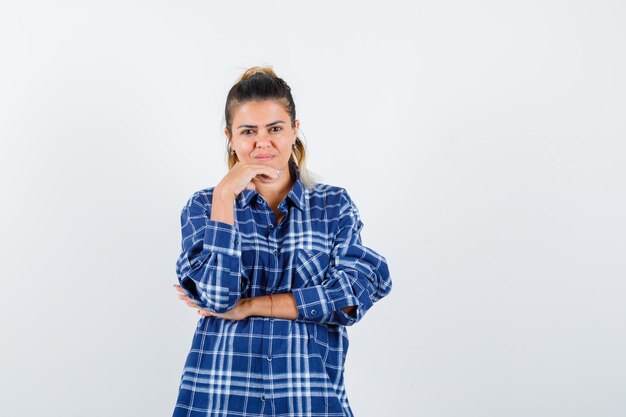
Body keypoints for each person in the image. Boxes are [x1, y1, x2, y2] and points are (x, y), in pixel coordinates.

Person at [171, 66, 392, 417]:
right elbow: (216, 296)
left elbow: (351, 296)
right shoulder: (205, 206)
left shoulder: (333, 205)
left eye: (275, 128)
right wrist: (225, 195)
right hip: (220, 399)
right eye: (248, 131)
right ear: (230, 136)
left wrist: (251, 306)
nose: (263, 142)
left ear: (294, 131)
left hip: (308, 400)